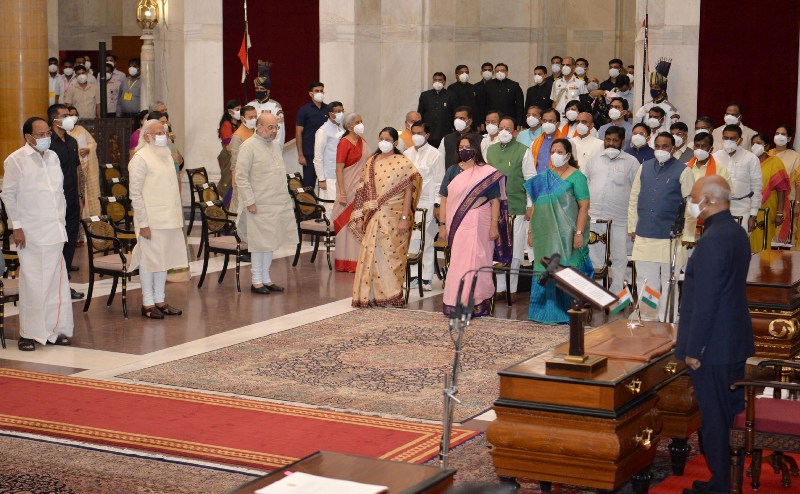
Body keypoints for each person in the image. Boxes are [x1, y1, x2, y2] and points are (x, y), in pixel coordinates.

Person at [675, 175, 753, 494]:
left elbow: (706, 300)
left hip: (713, 346)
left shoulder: (712, 239)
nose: (691, 205)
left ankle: (721, 484)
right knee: (731, 413)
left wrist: (694, 349)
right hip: (733, 340)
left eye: (693, 198)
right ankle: (729, 478)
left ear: (708, 200)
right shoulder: (736, 232)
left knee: (716, 419)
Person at [1, 117, 74, 351]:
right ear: (28, 137)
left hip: (55, 230)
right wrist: (17, 226)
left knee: (55, 284)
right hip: (31, 232)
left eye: (47, 134)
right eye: (40, 135)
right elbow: (8, 195)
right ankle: (29, 334)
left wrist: (62, 222)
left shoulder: (53, 157)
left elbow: (59, 193)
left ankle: (54, 330)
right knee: (33, 284)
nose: (45, 138)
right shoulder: (16, 160)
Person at [440, 133, 510, 317]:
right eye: (460, 148)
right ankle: (456, 303)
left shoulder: (486, 173)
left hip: (480, 221)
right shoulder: (452, 171)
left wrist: (494, 226)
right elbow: (444, 199)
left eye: (467, 147)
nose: (464, 150)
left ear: (476, 149)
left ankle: (475, 303)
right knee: (458, 263)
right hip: (457, 224)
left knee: (476, 261)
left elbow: (495, 201)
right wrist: (442, 224)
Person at [351, 128, 422, 307]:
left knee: (391, 256)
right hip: (372, 217)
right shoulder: (371, 162)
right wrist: (359, 218)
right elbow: (361, 190)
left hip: (394, 218)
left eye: (387, 139)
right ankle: (370, 296)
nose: (383, 142)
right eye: (381, 138)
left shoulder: (403, 163)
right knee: (371, 255)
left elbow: (409, 192)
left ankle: (391, 295)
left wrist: (404, 218)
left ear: (395, 143)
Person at [628, 132, 694, 322]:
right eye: (657, 146)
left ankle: (668, 317)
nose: (660, 149)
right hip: (645, 234)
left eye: (665, 146)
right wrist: (632, 226)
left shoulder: (684, 170)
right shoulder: (644, 167)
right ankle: (648, 316)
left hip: (671, 236)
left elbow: (691, 204)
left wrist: (688, 235)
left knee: (669, 280)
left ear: (673, 148)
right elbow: (634, 197)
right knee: (646, 280)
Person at [526, 138, 593, 324]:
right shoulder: (544, 177)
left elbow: (584, 206)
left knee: (567, 271)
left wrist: (579, 233)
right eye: (552, 152)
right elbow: (536, 207)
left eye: (560, 152)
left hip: (568, 236)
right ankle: (544, 314)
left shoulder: (577, 177)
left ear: (568, 155)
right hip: (546, 237)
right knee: (545, 269)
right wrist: (531, 232)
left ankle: (568, 313)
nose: (555, 155)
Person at [128, 119, 188, 318]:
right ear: (147, 137)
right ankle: (147, 303)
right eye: (159, 133)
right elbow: (135, 194)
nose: (163, 136)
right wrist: (143, 224)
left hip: (169, 218)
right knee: (149, 261)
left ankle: (160, 300)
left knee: (164, 260)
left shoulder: (166, 155)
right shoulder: (140, 158)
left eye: (164, 132)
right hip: (151, 220)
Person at [235, 113, 298, 295]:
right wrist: (249, 201)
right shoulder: (248, 146)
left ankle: (266, 278)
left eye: (276, 127)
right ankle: (256, 281)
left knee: (271, 242)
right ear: (260, 126)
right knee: (259, 244)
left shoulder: (275, 146)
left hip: (276, 203)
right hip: (258, 204)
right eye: (271, 127)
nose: (274, 131)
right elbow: (241, 177)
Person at [584, 126, 640, 295]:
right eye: (608, 140)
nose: (610, 143)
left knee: (619, 258)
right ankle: (597, 295)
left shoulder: (632, 162)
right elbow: (585, 185)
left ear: (622, 142)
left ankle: (617, 296)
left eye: (615, 140)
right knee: (595, 258)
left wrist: (634, 222)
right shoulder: (593, 159)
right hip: (594, 218)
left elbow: (637, 192)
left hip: (619, 220)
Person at [486, 117, 536, 298]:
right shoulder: (490, 150)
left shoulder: (523, 151)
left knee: (515, 248)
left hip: (516, 206)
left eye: (508, 128)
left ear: (515, 132)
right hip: (494, 207)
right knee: (498, 247)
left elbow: (531, 180)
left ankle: (512, 289)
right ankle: (500, 288)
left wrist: (530, 205)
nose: (504, 131)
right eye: (501, 128)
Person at [47, 104, 84, 299]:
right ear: (54, 119)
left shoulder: (72, 141)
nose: (70, 118)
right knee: (56, 244)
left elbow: (77, 171)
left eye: (70, 115)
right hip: (54, 203)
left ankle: (64, 285)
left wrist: (80, 196)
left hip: (72, 199)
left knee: (69, 243)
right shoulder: (48, 143)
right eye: (65, 115)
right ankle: (52, 287)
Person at [403, 122, 444, 292]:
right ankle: (412, 276)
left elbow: (440, 181)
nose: (416, 136)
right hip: (410, 203)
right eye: (414, 132)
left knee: (426, 240)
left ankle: (426, 278)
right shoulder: (406, 154)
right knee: (411, 240)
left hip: (428, 203)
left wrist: (437, 205)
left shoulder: (436, 154)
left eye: (420, 133)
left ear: (427, 135)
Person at [333, 112, 369, 272]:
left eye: (361, 121)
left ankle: (359, 261)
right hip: (347, 191)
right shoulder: (344, 143)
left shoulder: (363, 141)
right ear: (349, 126)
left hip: (361, 191)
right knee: (346, 227)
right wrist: (342, 193)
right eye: (357, 122)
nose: (361, 124)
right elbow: (339, 170)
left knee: (359, 224)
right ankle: (345, 263)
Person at [712, 124, 762, 232]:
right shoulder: (715, 157)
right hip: (718, 209)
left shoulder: (751, 158)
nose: (728, 141)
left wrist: (753, 215)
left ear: (740, 140)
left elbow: (756, 187)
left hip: (743, 209)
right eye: (726, 138)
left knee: (738, 241)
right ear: (722, 138)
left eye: (732, 138)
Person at [750, 133, 791, 252]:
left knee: (765, 239)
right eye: (753, 144)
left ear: (767, 146)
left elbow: (781, 189)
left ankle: (764, 261)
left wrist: (779, 213)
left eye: (758, 143)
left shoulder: (775, 162)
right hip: (750, 207)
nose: (755, 146)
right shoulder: (749, 161)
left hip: (769, 206)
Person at [65, 106, 101, 219]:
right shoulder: (61, 132)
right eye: (70, 115)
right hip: (70, 171)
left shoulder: (80, 129)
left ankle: (89, 223)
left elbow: (92, 143)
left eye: (75, 115)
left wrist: (88, 150)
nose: (73, 117)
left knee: (87, 196)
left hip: (84, 170)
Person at [313, 101, 345, 216]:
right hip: (329, 176)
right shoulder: (323, 131)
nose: (341, 114)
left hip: (341, 174)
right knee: (330, 207)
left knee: (341, 208)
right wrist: (321, 179)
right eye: (338, 111)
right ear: (331, 114)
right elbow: (318, 157)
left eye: (342, 111)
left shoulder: (342, 128)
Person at [296, 82, 328, 188]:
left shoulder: (328, 109)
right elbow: (298, 133)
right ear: (311, 94)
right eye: (317, 91)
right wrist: (301, 155)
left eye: (321, 91)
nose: (320, 93)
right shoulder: (304, 110)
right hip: (310, 154)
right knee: (308, 186)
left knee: (326, 184)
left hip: (326, 153)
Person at [246, 60, 285, 148]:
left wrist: (277, 150)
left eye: (261, 89)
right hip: (252, 147)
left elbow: (280, 131)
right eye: (257, 88)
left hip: (269, 146)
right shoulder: (249, 106)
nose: (258, 91)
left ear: (268, 91)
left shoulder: (275, 106)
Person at [769, 125, 800, 232]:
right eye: (777, 133)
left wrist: (797, 204)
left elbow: (798, 182)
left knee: (784, 234)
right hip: (768, 201)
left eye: (783, 134)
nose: (779, 136)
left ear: (789, 138)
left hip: (788, 202)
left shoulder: (795, 156)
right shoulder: (768, 154)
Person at [226, 105, 256, 212]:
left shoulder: (255, 132)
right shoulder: (237, 137)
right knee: (236, 213)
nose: (254, 119)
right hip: (241, 184)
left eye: (255, 116)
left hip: (254, 181)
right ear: (243, 119)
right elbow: (235, 164)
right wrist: (238, 184)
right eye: (251, 117)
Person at [634, 58, 679, 126]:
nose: (653, 89)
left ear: (662, 90)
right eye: (651, 87)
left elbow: (672, 129)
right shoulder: (645, 107)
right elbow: (637, 125)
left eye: (656, 87)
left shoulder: (670, 109)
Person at [418, 72, 455, 148]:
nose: (437, 82)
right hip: (429, 132)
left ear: (444, 82)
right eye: (435, 80)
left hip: (445, 132)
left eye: (440, 80)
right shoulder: (425, 95)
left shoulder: (451, 95)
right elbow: (420, 113)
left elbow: (454, 113)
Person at [216, 99, 242, 203]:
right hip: (229, 158)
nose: (240, 111)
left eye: (241, 109)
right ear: (230, 112)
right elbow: (229, 147)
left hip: (237, 157)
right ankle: (226, 208)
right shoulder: (226, 125)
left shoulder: (239, 124)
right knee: (229, 183)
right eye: (237, 109)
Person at [485, 63, 524, 127]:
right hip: (492, 121)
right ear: (494, 73)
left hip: (509, 120)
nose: (499, 73)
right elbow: (483, 104)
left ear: (507, 72)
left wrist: (519, 123)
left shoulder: (514, 85)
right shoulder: (488, 85)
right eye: (497, 71)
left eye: (502, 71)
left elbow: (520, 105)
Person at [438, 105, 474, 170]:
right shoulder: (446, 139)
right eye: (456, 118)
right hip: (451, 175)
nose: (458, 121)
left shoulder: (479, 140)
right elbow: (439, 163)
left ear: (470, 121)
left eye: (462, 118)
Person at [531, 108, 563, 173]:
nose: (547, 124)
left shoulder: (566, 142)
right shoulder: (535, 143)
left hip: (559, 178)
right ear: (541, 122)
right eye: (544, 121)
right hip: (538, 178)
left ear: (558, 124)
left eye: (551, 121)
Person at [447, 65, 477, 130]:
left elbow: (476, 106)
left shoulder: (472, 87)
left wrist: (478, 123)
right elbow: (451, 108)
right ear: (456, 75)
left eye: (466, 72)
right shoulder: (451, 88)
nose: (464, 74)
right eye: (461, 72)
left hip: (471, 120)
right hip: (459, 120)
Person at [472, 62, 494, 128]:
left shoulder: (497, 86)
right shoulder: (475, 87)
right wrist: (479, 123)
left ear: (493, 72)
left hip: (494, 120)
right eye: (485, 70)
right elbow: (475, 106)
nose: (487, 72)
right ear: (481, 72)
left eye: (489, 70)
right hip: (480, 122)